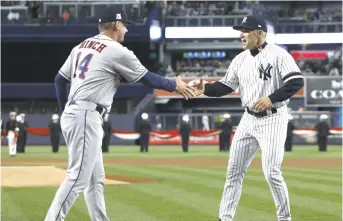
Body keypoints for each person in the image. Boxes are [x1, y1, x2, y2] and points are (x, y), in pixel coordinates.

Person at [45, 8, 194, 221]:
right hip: (87, 114)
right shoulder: (115, 49)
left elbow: (59, 80)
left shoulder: (81, 46)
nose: (126, 29)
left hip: (76, 112)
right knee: (77, 178)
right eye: (125, 25)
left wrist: (64, 111)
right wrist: (175, 85)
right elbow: (147, 78)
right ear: (115, 25)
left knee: (96, 179)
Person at [192, 15, 304, 221]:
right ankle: (225, 218)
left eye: (245, 30)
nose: (241, 35)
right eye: (240, 31)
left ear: (259, 33)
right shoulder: (240, 59)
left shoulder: (279, 54)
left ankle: (284, 218)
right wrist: (205, 89)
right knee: (233, 171)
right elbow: (225, 86)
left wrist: (271, 98)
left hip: (273, 118)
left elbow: (296, 82)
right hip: (248, 119)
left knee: (272, 172)